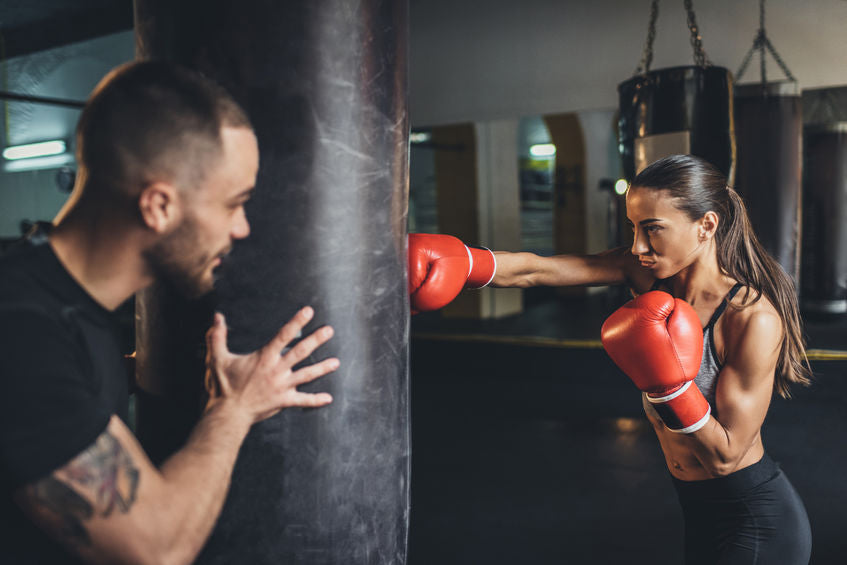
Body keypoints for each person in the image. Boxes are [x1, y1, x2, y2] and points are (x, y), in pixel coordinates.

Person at [0, 61, 339, 564]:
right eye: (233, 203)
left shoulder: (61, 306)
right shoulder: (22, 330)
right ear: (158, 206)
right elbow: (155, 550)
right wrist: (235, 408)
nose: (241, 227)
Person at [409, 154, 812, 564]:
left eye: (653, 229)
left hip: (755, 518)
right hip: (699, 512)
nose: (638, 246)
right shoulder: (645, 272)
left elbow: (725, 457)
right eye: (634, 227)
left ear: (706, 225)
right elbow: (538, 270)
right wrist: (463, 261)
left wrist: (669, 390)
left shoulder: (751, 317)